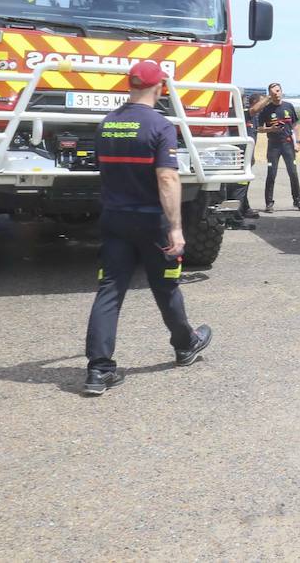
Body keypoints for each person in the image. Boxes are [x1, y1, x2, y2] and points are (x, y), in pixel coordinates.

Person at [83, 60, 212, 395]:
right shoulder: (160, 126)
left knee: (109, 291)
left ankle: (98, 371)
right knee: (166, 285)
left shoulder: (107, 124)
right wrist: (176, 229)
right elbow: (167, 177)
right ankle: (185, 345)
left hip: (114, 217)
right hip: (151, 220)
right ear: (161, 88)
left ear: (130, 86)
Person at [260, 82, 300, 212]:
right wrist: (270, 129)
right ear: (270, 94)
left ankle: (297, 200)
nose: (276, 94)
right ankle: (269, 203)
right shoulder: (266, 109)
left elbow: (295, 126)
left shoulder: (288, 106)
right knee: (271, 174)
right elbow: (259, 128)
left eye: (278, 91)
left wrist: (297, 142)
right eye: (273, 93)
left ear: (281, 91)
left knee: (293, 173)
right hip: (273, 146)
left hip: (288, 144)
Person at [237, 92, 267, 220]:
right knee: (240, 185)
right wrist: (269, 97)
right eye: (262, 102)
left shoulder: (255, 117)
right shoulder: (245, 113)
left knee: (245, 184)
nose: (264, 106)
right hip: (240, 157)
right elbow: (253, 110)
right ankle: (238, 213)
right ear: (255, 102)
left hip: (248, 156)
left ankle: (244, 208)